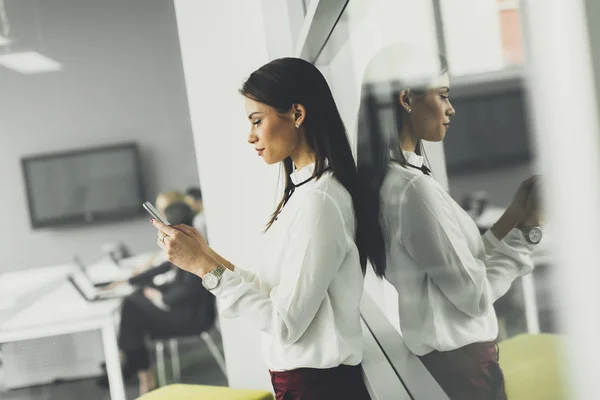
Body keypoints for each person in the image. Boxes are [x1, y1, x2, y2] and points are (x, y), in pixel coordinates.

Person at [151, 57, 385, 399]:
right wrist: (204, 255)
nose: (250, 136)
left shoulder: (320, 202)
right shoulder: (305, 193)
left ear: (297, 114)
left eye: (257, 121)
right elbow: (273, 293)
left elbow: (285, 323)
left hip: (320, 389)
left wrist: (204, 266)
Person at [358, 44, 542, 399]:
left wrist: (515, 213)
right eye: (442, 96)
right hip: (464, 367)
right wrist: (529, 232)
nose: (451, 109)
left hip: (450, 362)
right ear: (407, 100)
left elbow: (460, 266)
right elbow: (473, 295)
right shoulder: (413, 191)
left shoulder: (396, 180)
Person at [112, 201, 215, 395]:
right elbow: (167, 266)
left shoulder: (191, 245)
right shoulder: (186, 240)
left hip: (192, 317)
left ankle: (132, 364)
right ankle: (138, 369)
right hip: (180, 308)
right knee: (133, 307)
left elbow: (188, 288)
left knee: (132, 313)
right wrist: (131, 280)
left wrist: (158, 295)